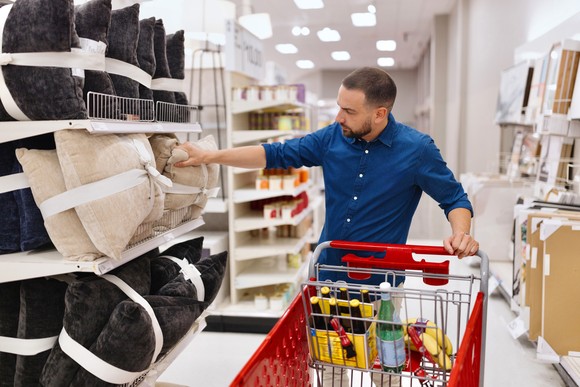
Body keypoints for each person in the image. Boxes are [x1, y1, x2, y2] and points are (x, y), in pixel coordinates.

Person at [175, 67, 479, 385]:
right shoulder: (332, 137)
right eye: (339, 106)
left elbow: (455, 198)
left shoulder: (416, 149)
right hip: (328, 277)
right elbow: (274, 153)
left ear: (379, 113)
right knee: (330, 367)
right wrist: (210, 156)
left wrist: (461, 232)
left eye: (349, 110)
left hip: (380, 284)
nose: (339, 117)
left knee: (383, 367)